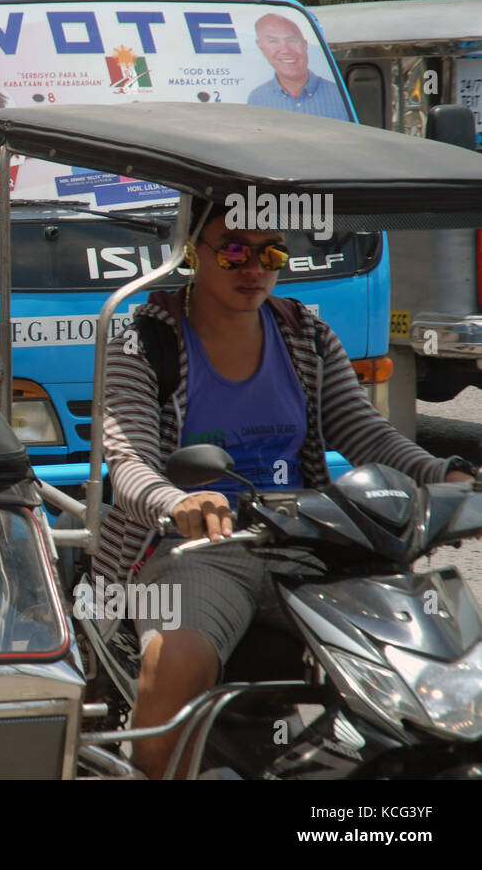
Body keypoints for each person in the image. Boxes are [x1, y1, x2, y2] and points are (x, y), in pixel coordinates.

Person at [98, 204, 475, 779]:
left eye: (270, 252)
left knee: (426, 654)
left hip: (306, 539)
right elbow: (127, 463)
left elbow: (366, 431)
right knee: (177, 662)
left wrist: (443, 476)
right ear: (191, 249)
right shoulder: (141, 342)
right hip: (194, 552)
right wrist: (178, 503)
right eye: (232, 249)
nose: (253, 267)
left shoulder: (306, 333)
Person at [246, 13, 347, 119]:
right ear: (261, 46)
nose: (285, 50)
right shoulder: (257, 99)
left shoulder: (339, 95)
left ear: (305, 44)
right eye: (273, 41)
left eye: (292, 40)